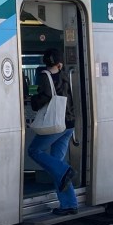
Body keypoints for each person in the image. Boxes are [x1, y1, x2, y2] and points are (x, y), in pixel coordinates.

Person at [28, 49, 78, 215]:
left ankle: (65, 170)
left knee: (34, 150)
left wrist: (33, 102)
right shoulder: (64, 75)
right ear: (59, 63)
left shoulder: (44, 75)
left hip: (56, 125)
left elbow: (46, 95)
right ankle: (69, 204)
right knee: (56, 163)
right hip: (69, 124)